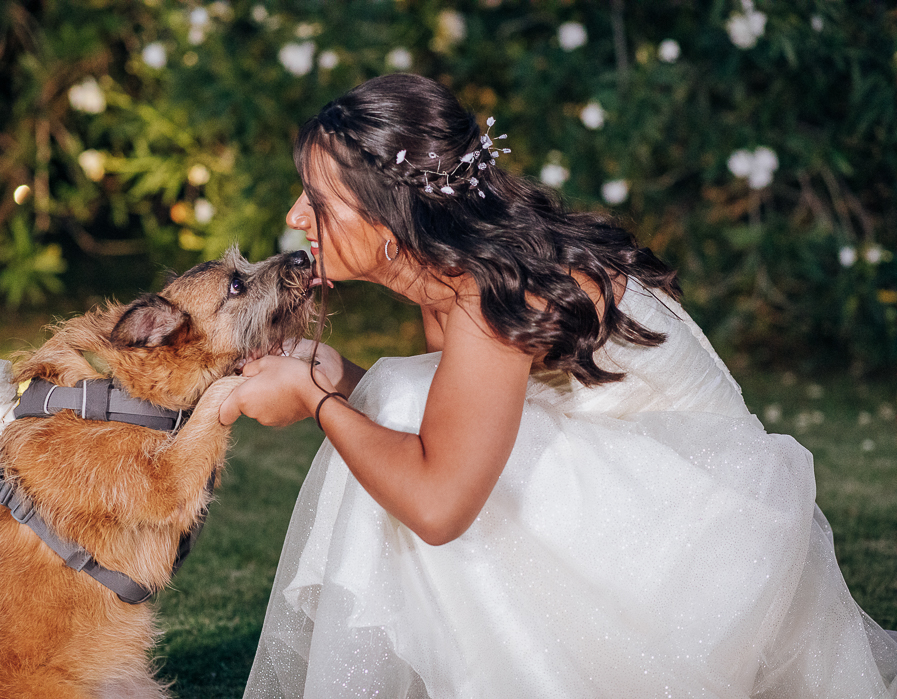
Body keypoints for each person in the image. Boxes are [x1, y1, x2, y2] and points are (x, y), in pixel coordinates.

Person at [219, 74, 897, 698]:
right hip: (651, 516)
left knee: (399, 400)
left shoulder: (488, 289)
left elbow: (438, 502)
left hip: (701, 565)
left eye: (317, 201)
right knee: (397, 395)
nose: (296, 216)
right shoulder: (456, 268)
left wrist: (315, 396)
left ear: (390, 212)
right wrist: (335, 374)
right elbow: (462, 421)